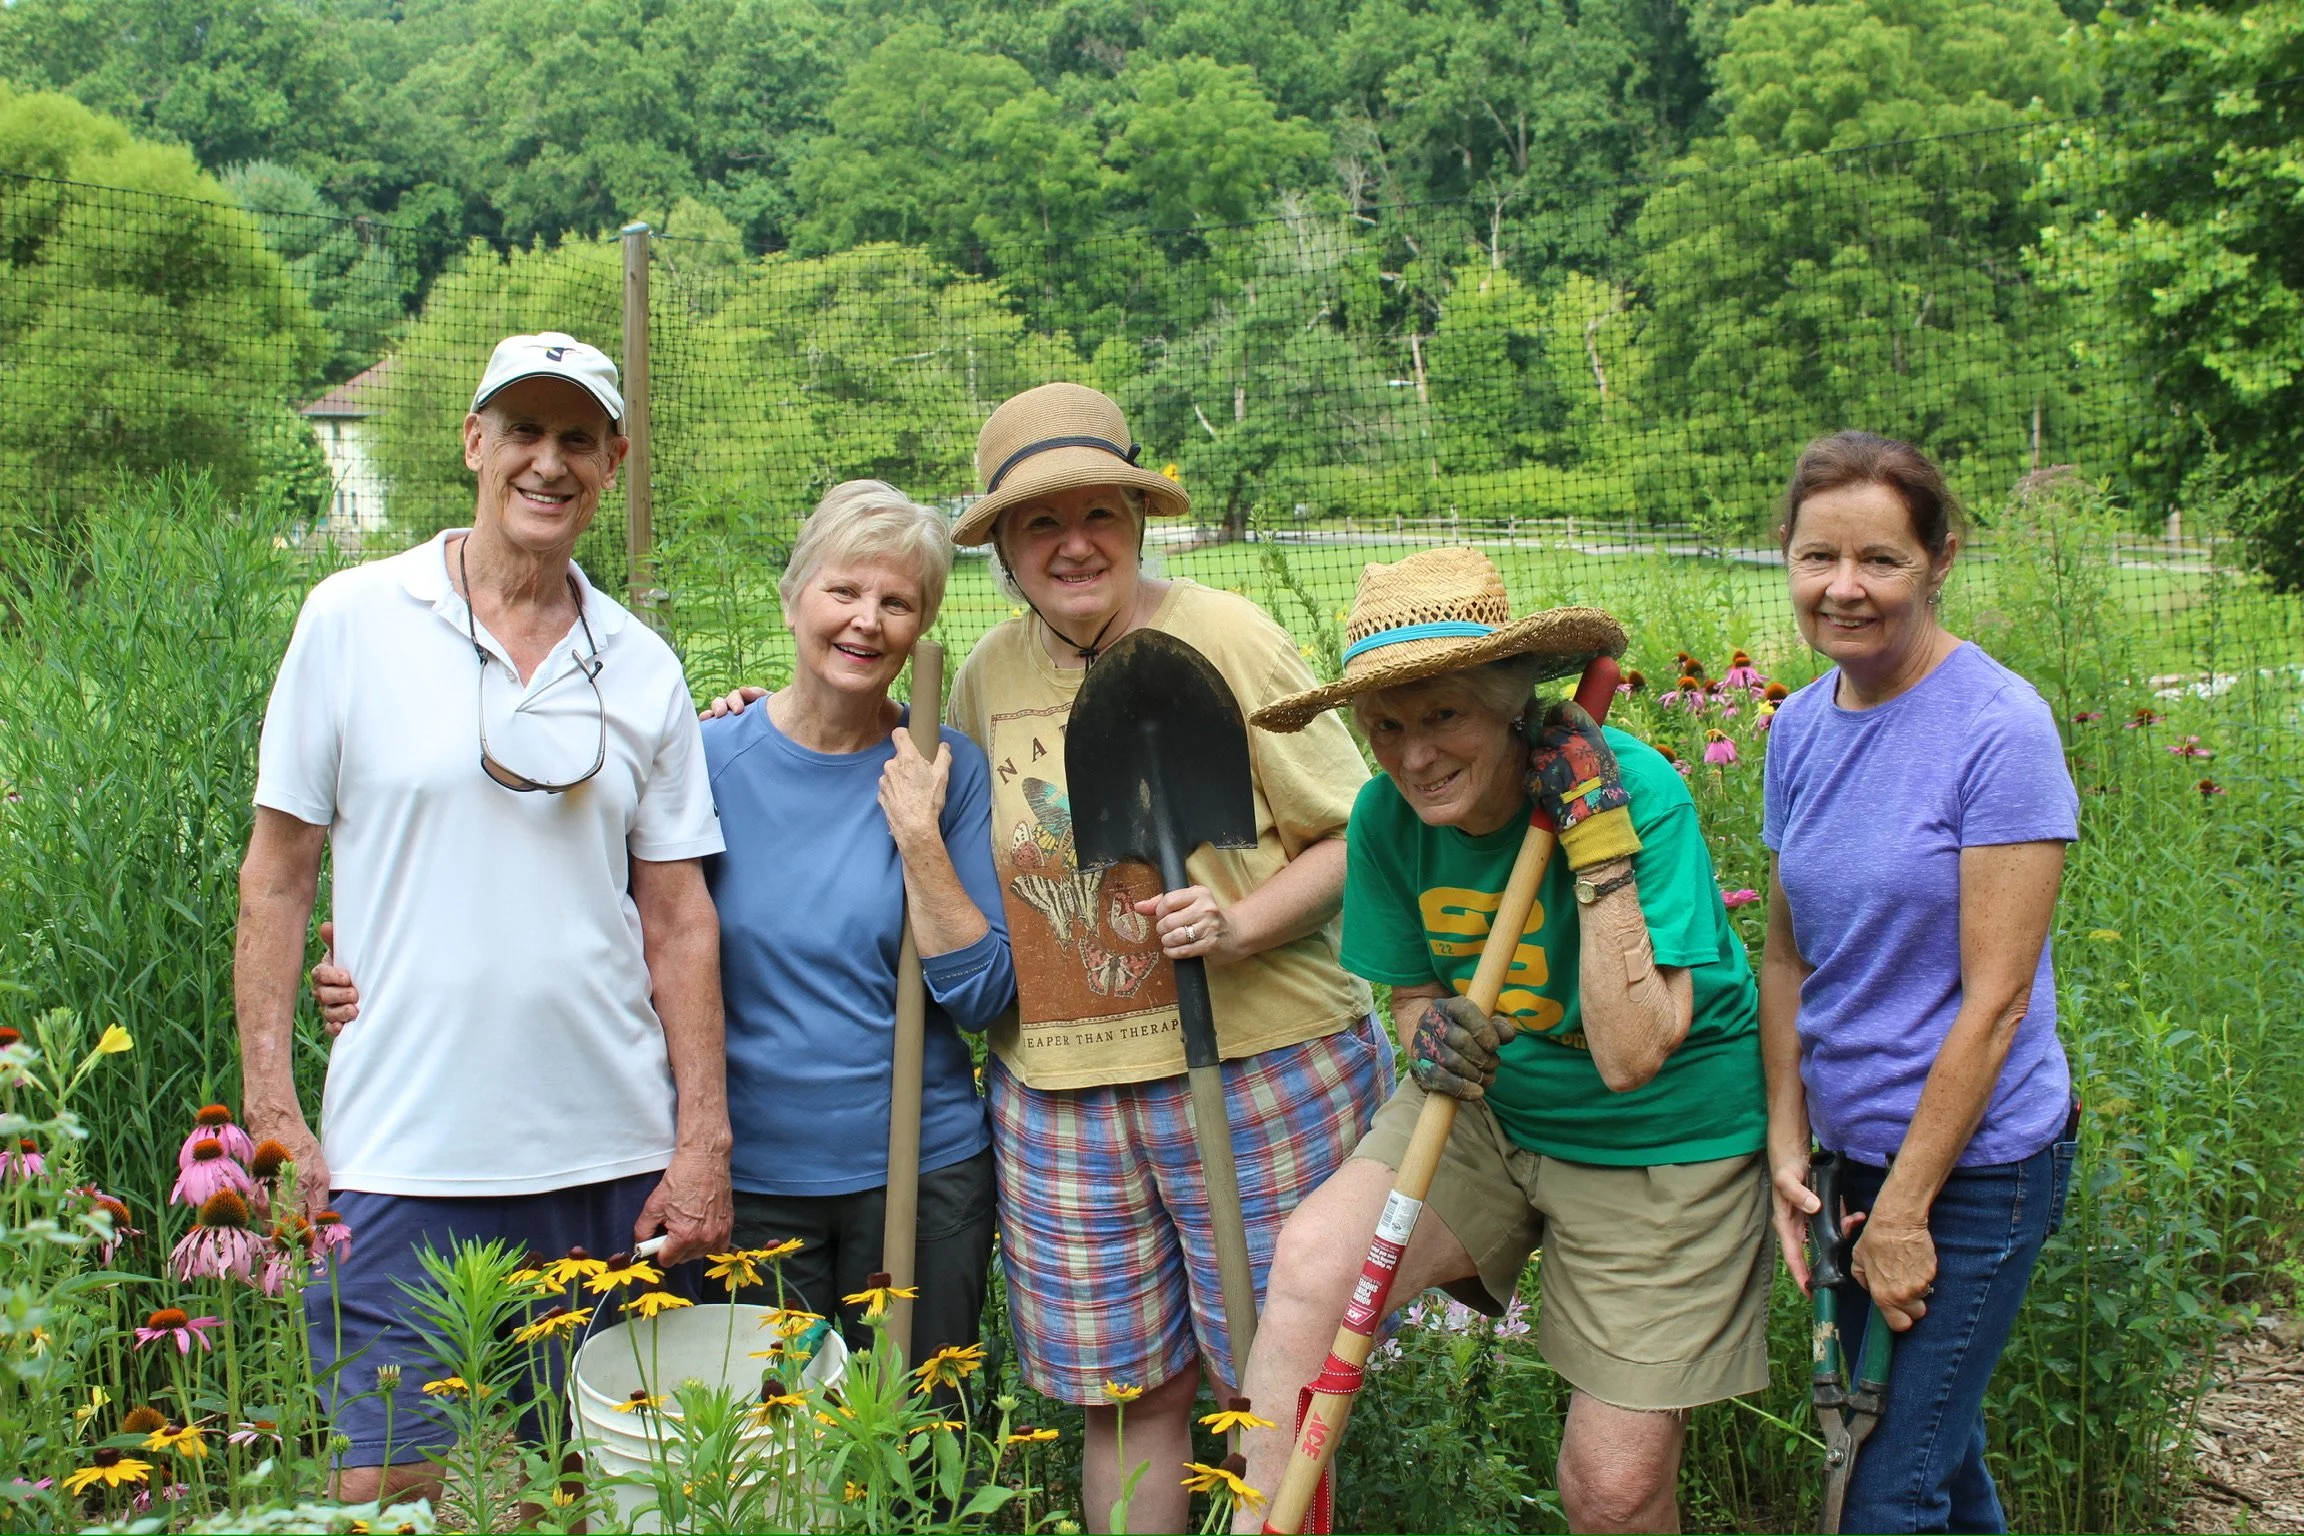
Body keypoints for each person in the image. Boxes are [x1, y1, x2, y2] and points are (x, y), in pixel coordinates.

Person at [713, 382, 1392, 1534]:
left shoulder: (1228, 637)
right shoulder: (983, 676)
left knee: (1271, 1390)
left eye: (1099, 514)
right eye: (1041, 523)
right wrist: (750, 718)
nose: (1074, 544)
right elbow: (853, 743)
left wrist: (1242, 924)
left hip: (1256, 1065)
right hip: (1063, 1097)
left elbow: (1355, 834)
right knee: (1126, 1400)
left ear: (1138, 520)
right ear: (1005, 550)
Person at [318, 482, 1014, 1372]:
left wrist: (918, 835)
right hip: (750, 1182)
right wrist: (382, 962)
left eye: (898, 602)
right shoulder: (708, 756)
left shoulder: (943, 771)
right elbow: (581, 911)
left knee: (920, 1430)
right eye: (843, 590)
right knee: (767, 1437)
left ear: (924, 625)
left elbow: (981, 995)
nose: (866, 621)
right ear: (792, 597)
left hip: (921, 1172)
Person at [237, 332, 732, 1505]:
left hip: (607, 1153)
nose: (548, 463)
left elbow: (678, 921)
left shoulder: (640, 665)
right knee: (390, 1485)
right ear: (474, 443)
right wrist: (273, 1114)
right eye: (523, 432)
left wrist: (701, 1139)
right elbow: (278, 878)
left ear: (613, 463)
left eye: (578, 440)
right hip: (402, 1148)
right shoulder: (352, 618)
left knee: (596, 1486)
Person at [1236, 547, 1772, 1534]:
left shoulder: (1633, 791)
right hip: (1491, 1105)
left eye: (1443, 715)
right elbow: (1413, 997)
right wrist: (1428, 1034)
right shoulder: (1384, 819)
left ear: (1512, 706)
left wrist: (1595, 843)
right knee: (1313, 1269)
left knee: (1611, 1490)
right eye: (1387, 726)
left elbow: (1633, 1053)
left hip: (1660, 1135)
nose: (1413, 757)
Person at [1760, 432, 2078, 1534]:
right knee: (1938, 1452)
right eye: (1818, 556)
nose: (1844, 587)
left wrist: (1902, 1213)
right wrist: (1787, 1142)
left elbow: (1998, 1002)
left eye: (1881, 559)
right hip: (1850, 1159)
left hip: (1974, 1172)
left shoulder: (1999, 729)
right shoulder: (1799, 728)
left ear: (1939, 560)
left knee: (1884, 1489)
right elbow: (1787, 955)